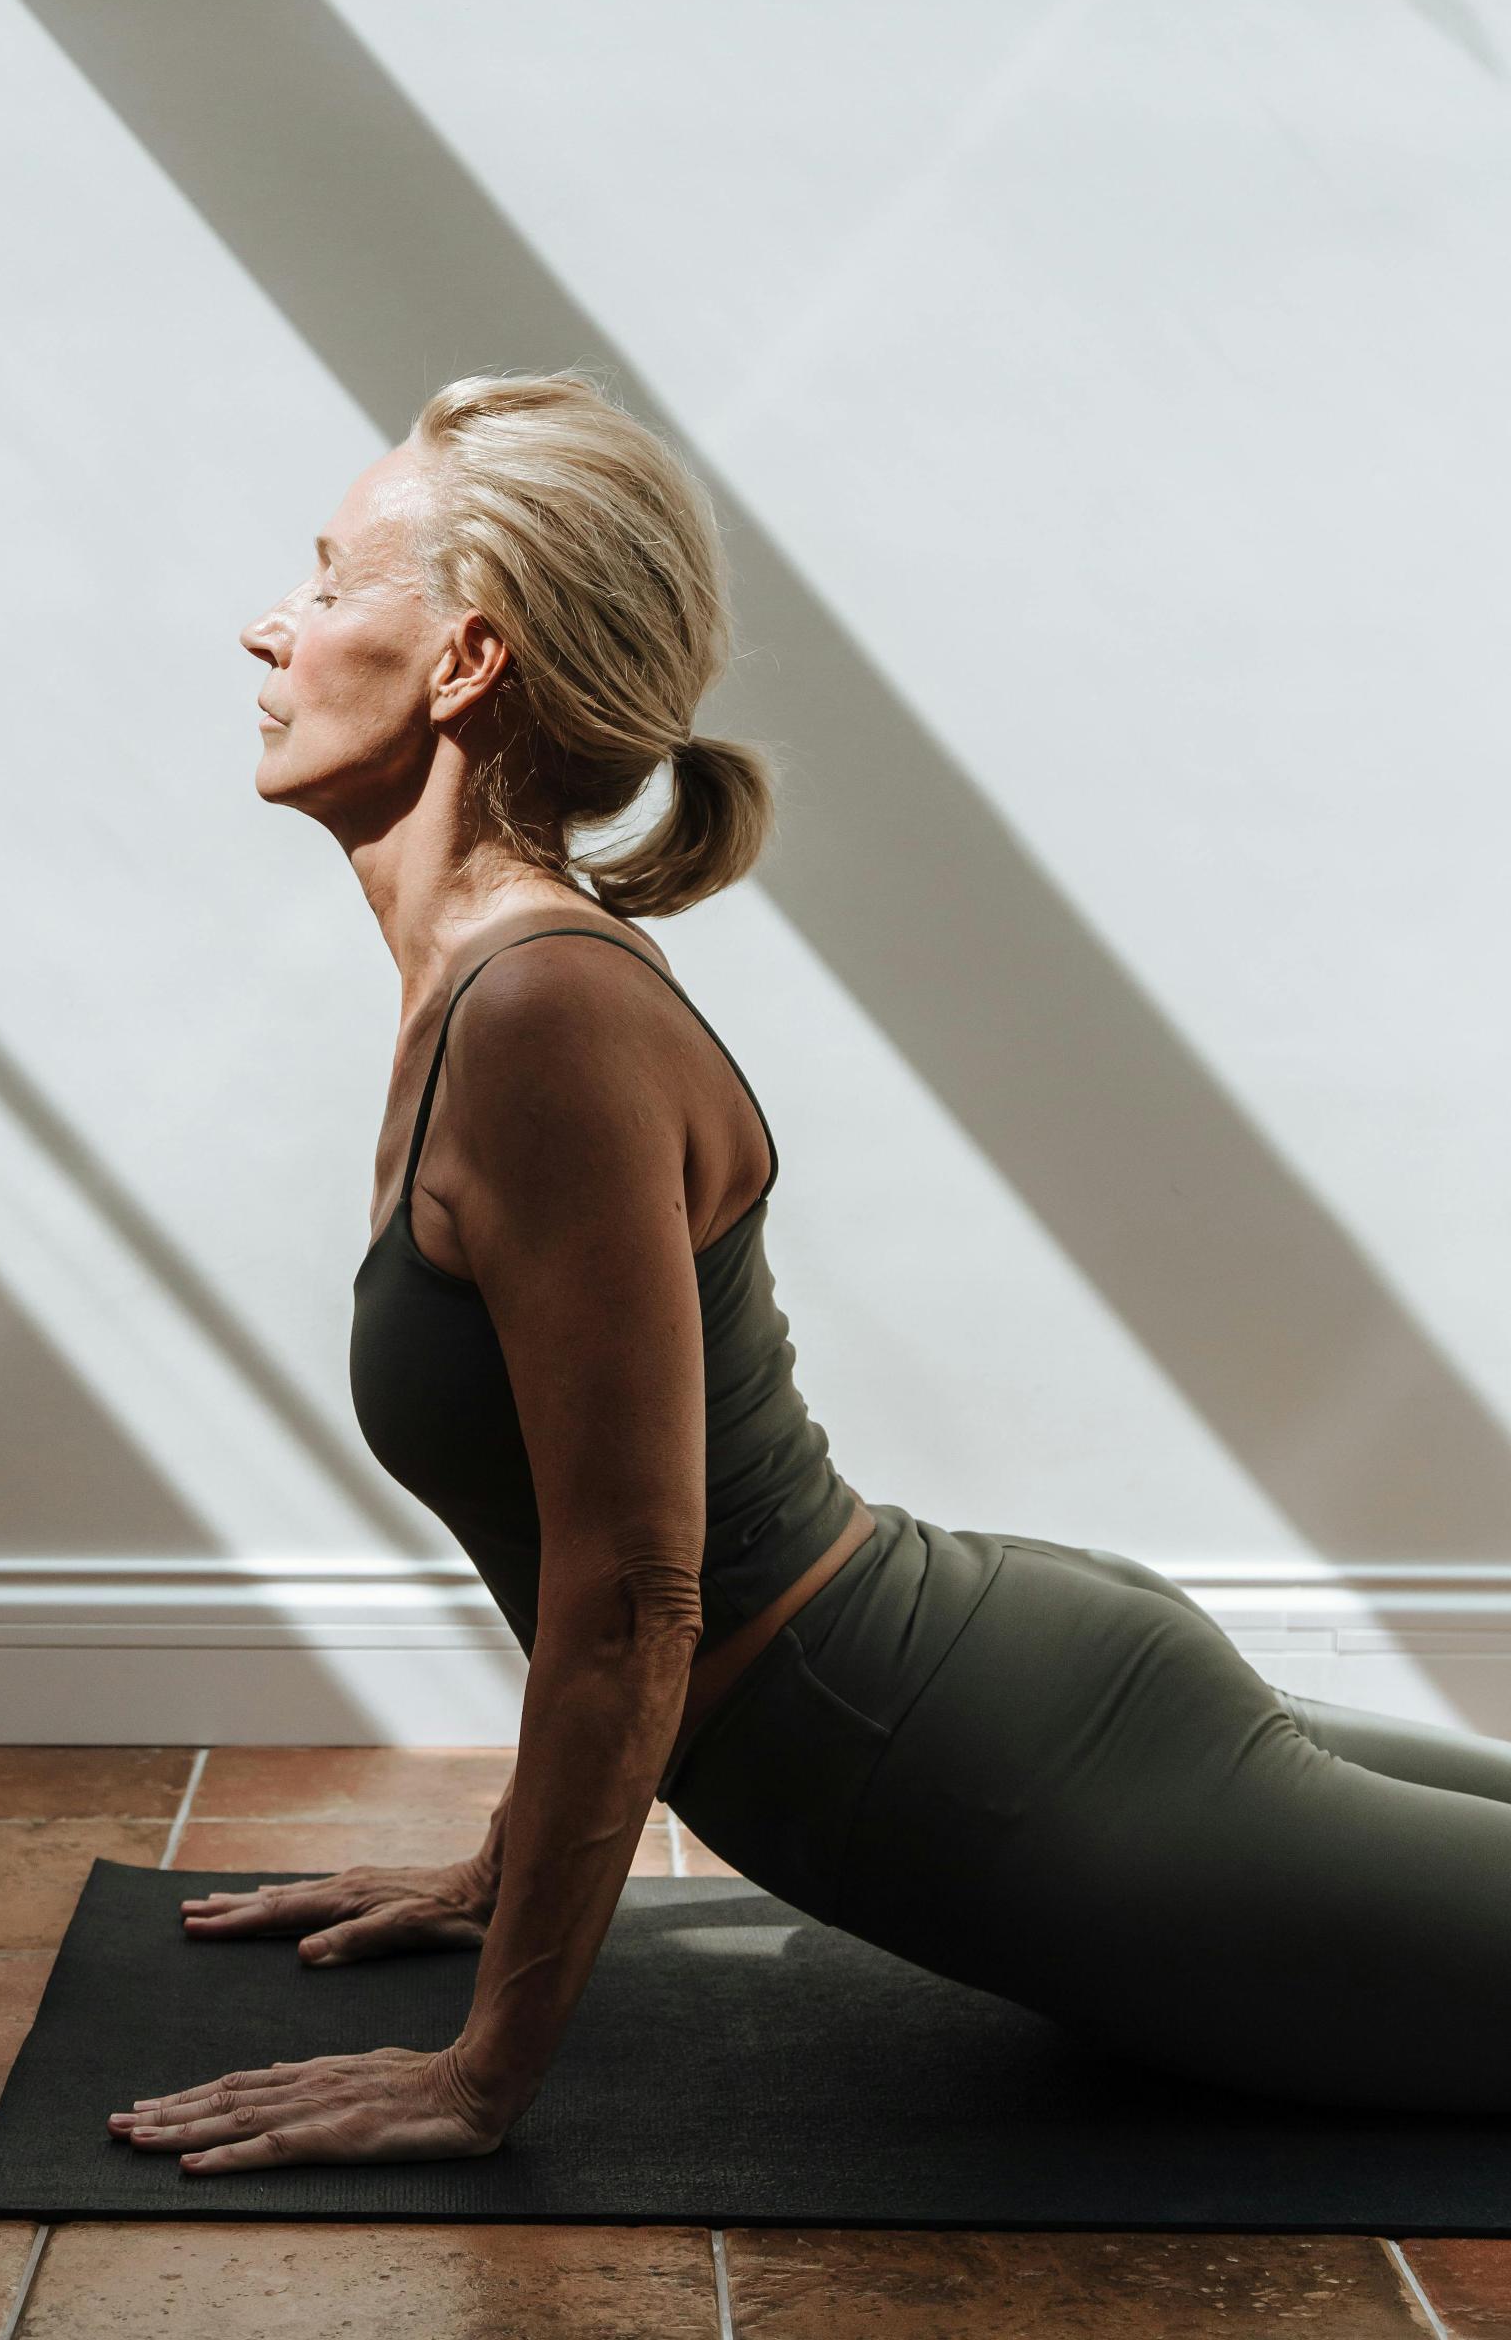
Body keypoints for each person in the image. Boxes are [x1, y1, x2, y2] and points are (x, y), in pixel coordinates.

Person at [109, 371, 1511, 2180]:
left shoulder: (538, 1011)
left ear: (462, 662)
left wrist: (481, 2079)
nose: (268, 623)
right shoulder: (488, 986)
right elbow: (585, 1544)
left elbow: (632, 1594)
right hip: (996, 1697)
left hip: (1017, 1787)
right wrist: (494, 1876)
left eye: (322, 578)